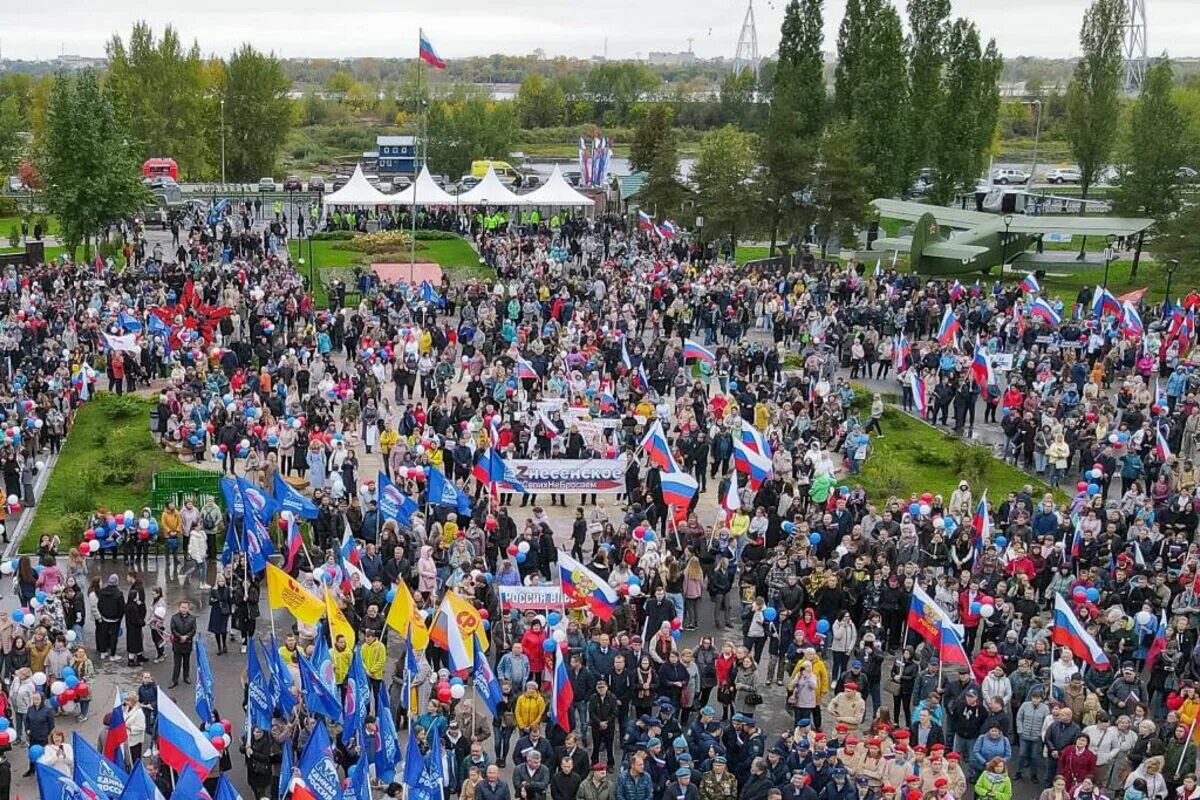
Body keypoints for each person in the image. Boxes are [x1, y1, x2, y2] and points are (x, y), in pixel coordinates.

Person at [169, 601, 196, 687]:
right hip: (177, 644)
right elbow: (173, 629)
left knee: (186, 662)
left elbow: (193, 630)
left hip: (187, 643)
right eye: (182, 607)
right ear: (179, 608)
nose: (184, 609)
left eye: (185, 608)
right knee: (177, 663)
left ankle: (186, 677)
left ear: (188, 608)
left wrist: (187, 637)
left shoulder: (192, 618)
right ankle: (174, 680)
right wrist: (180, 636)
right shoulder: (174, 618)